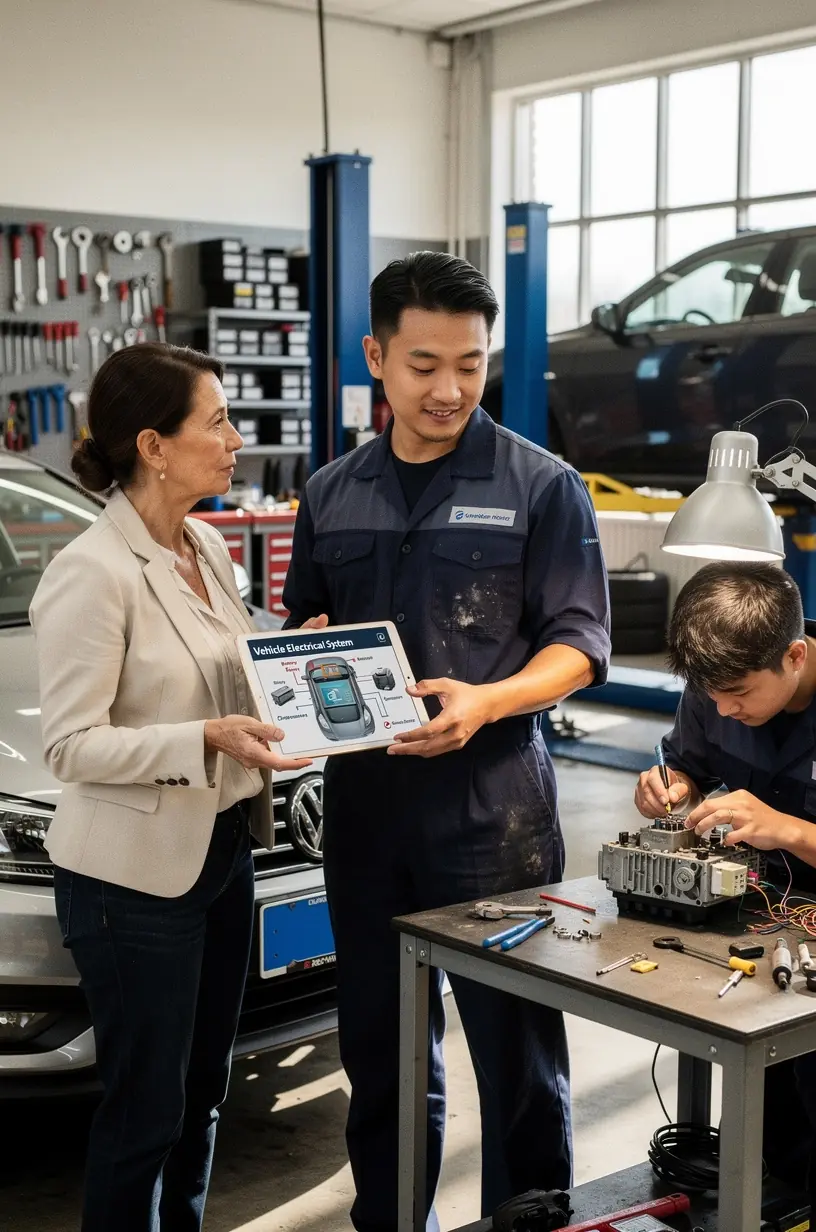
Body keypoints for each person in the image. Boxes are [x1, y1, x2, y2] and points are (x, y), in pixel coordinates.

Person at [282, 251, 611, 1230]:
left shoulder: (542, 485)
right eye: (425, 364)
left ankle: (529, 1220)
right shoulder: (331, 491)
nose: (450, 388)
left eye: (469, 363)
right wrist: (297, 657)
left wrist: (489, 699)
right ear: (377, 357)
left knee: (518, 1062)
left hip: (495, 817)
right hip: (367, 820)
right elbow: (309, 618)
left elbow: (582, 645)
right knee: (380, 1056)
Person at [30, 343, 311, 1232]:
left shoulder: (203, 546)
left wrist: (299, 652)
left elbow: (229, 666)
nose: (236, 438)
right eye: (217, 420)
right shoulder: (91, 571)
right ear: (154, 445)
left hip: (223, 851)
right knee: (146, 1111)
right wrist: (200, 738)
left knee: (202, 1093)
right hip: (131, 882)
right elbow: (70, 747)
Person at [634, 560, 816, 1205]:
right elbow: (685, 763)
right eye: (708, 695)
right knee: (771, 1105)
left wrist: (789, 829)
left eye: (737, 693)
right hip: (760, 927)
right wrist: (669, 787)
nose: (722, 709)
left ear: (794, 657)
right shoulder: (715, 685)